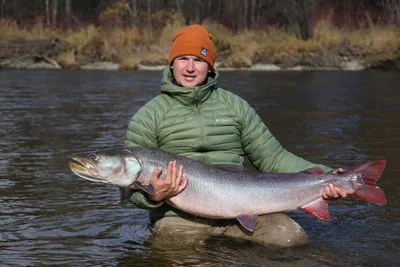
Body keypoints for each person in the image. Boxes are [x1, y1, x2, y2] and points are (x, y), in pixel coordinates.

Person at [124, 24, 346, 247]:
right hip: (178, 217)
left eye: (199, 60)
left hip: (242, 212)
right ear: (172, 64)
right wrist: (153, 196)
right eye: (183, 59)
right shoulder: (147, 116)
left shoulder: (236, 107)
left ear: (210, 67)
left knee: (291, 239)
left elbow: (273, 158)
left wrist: (327, 176)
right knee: (173, 249)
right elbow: (129, 191)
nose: (190, 68)